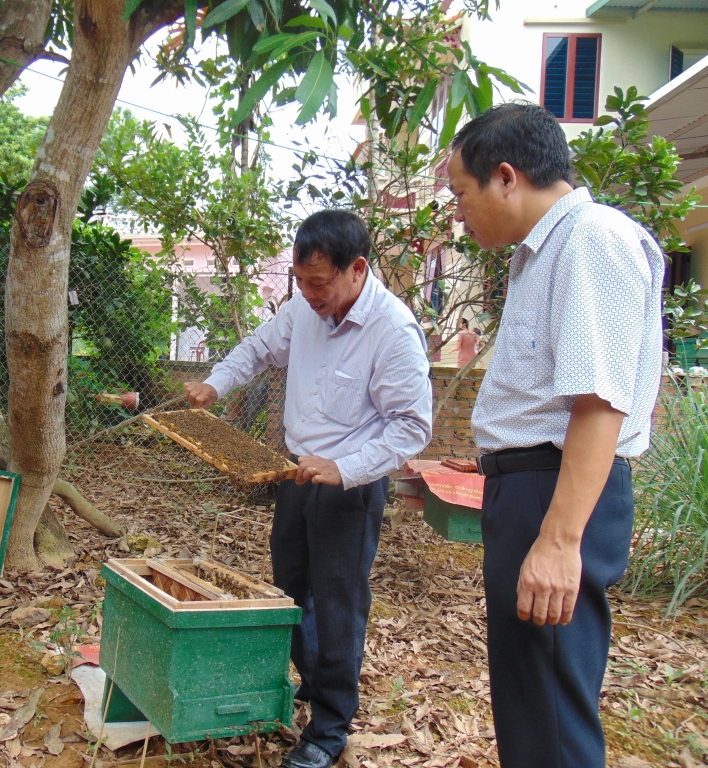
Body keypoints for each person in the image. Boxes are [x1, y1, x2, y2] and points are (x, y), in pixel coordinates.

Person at [447, 103, 664, 768]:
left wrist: (561, 539)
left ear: (506, 177)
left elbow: (600, 403)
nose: (458, 213)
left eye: (460, 194)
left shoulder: (591, 239)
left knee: (551, 708)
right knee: (528, 700)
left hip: (558, 496)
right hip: (533, 489)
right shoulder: (542, 252)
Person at [184, 211, 432, 768]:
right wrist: (214, 383)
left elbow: (412, 427)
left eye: (319, 283)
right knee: (292, 588)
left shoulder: (393, 331)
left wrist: (342, 468)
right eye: (301, 281)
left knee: (339, 601)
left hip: (350, 485)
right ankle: (314, 684)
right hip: (294, 474)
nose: (309, 294)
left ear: (357, 269)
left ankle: (330, 727)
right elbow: (257, 349)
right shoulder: (303, 308)